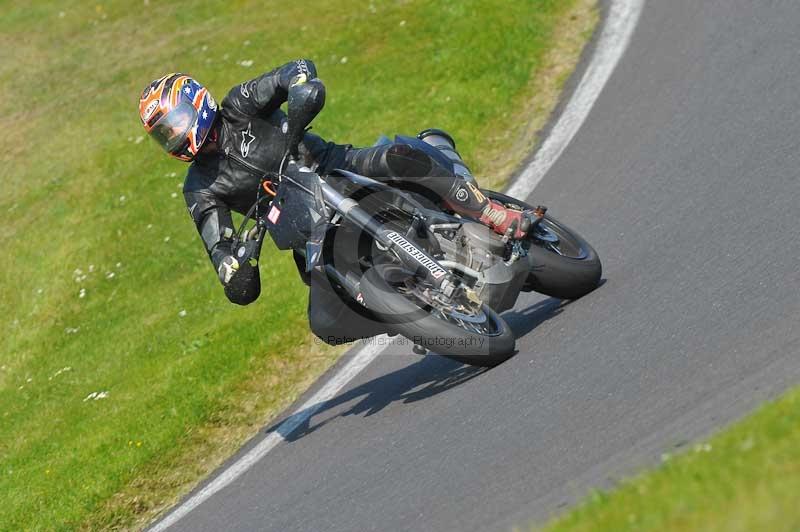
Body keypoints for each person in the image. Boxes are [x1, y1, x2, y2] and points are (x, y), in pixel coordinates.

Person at [138, 60, 534, 311]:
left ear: (195, 101)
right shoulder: (199, 188)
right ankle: (414, 309)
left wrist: (298, 93)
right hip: (300, 224)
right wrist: (232, 266)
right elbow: (219, 249)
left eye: (173, 124)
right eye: (163, 134)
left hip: (333, 166)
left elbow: (294, 70)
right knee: (324, 301)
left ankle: (491, 213)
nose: (172, 136)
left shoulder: (239, 105)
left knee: (396, 156)